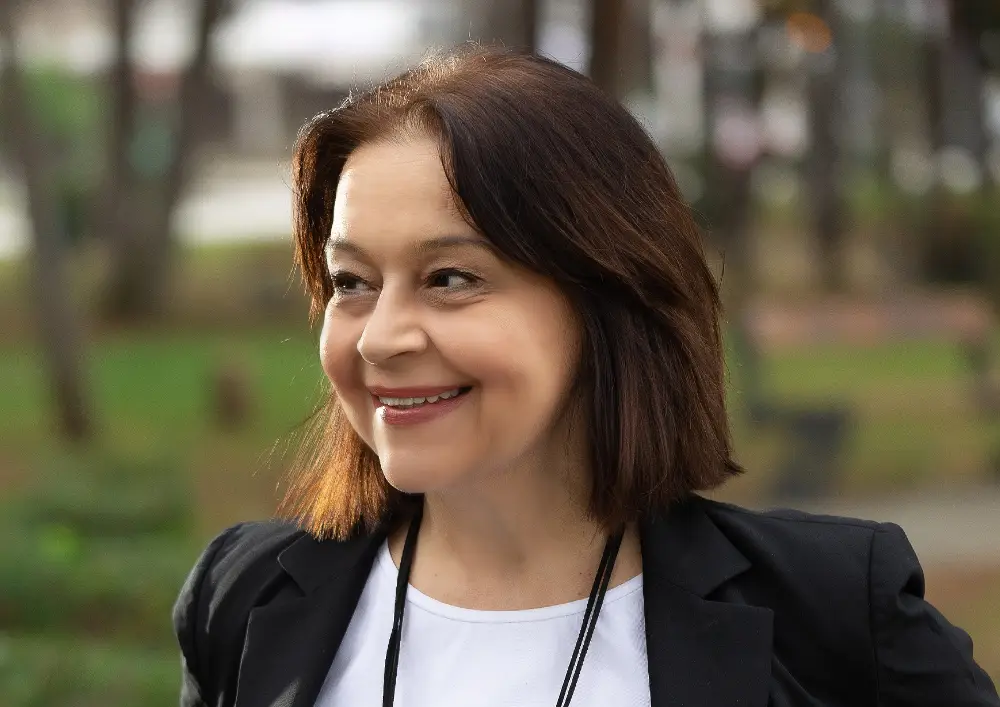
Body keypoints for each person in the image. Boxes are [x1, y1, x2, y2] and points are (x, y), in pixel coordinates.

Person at [173, 45, 999, 707]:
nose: (380, 338)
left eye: (450, 278)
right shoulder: (242, 598)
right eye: (352, 282)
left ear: (606, 298)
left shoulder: (831, 612)